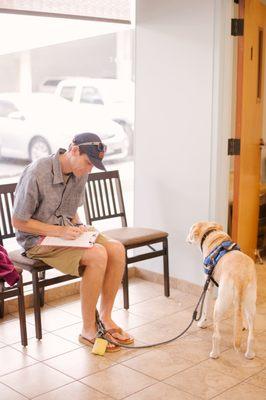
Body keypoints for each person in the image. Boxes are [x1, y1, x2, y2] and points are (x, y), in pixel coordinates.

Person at [12, 132, 134, 352]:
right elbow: (19, 221)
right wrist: (59, 230)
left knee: (116, 249)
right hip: (36, 239)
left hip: (66, 232)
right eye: (88, 163)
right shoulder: (37, 171)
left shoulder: (81, 172)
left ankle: (105, 318)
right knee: (97, 254)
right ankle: (88, 330)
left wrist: (80, 226)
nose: (89, 169)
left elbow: (72, 212)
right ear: (74, 150)